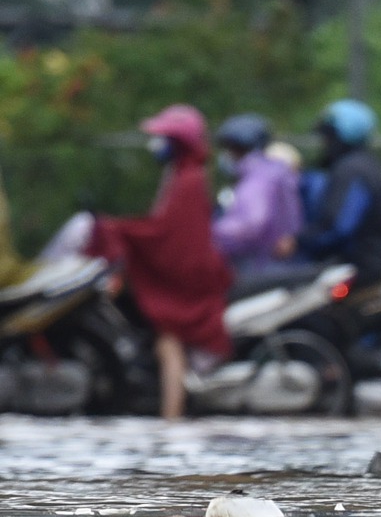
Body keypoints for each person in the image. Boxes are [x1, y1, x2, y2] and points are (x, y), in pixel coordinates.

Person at [86, 106, 233, 419]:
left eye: (165, 139)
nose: (157, 145)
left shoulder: (190, 180)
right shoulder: (182, 175)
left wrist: (121, 230)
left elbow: (172, 235)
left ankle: (172, 418)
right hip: (191, 274)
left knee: (169, 344)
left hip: (188, 281)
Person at [297, 99, 381, 288]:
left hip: (356, 265)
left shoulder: (351, 170)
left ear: (339, 136)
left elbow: (340, 227)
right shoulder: (363, 165)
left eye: (327, 136)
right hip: (367, 262)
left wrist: (299, 241)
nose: (324, 143)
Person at [211, 113, 303, 279]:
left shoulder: (259, 179)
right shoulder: (275, 172)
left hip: (258, 267)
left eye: (230, 148)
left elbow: (251, 224)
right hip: (276, 265)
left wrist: (209, 237)